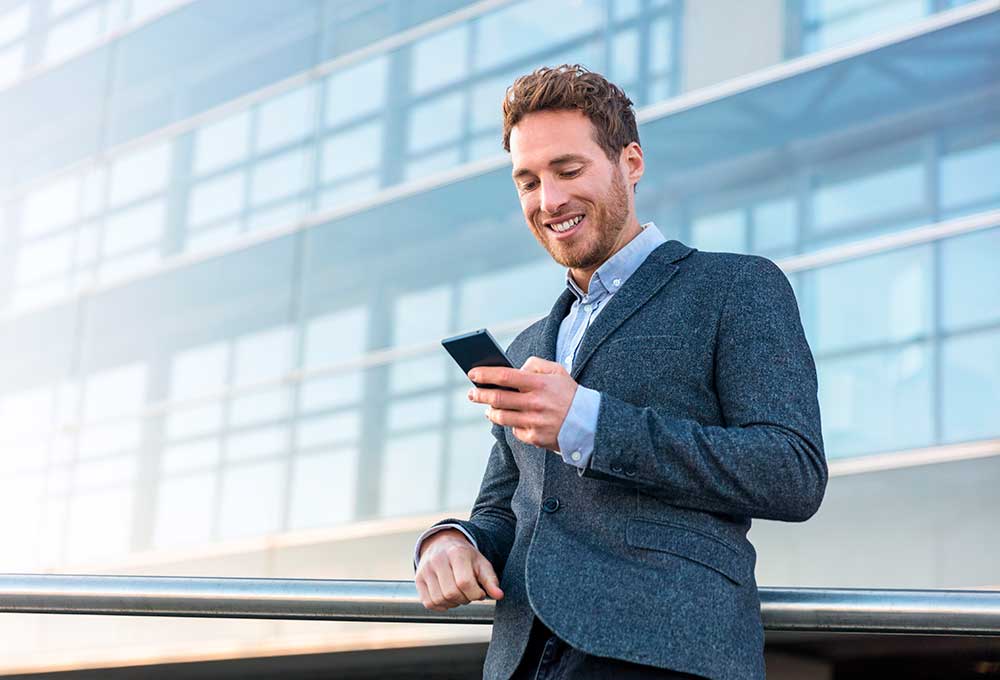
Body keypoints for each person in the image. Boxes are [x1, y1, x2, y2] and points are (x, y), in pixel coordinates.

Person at [412, 64, 827, 680]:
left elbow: (792, 472)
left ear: (631, 162)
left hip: (667, 652)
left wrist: (589, 422)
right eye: (527, 181)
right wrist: (453, 541)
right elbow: (506, 508)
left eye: (568, 170)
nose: (548, 201)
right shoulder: (531, 343)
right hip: (522, 656)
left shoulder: (737, 286)